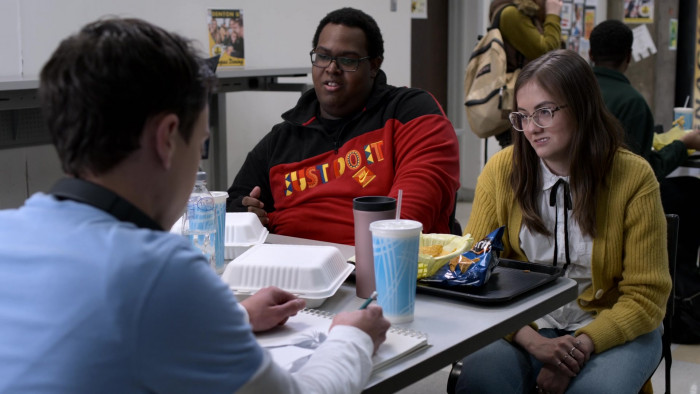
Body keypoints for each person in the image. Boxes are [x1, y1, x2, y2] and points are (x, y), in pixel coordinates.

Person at [0, 18, 390, 393]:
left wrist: (233, 318)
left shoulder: (8, 233)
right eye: (199, 143)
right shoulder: (159, 272)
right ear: (168, 138)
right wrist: (353, 337)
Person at [454, 49, 671, 394]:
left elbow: (647, 296)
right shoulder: (501, 171)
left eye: (544, 112)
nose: (531, 128)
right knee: (483, 379)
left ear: (582, 108)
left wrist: (580, 347)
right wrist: (530, 339)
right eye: (522, 116)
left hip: (611, 326)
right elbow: (472, 271)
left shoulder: (632, 176)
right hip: (522, 323)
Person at [225, 7, 460, 245]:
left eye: (348, 60)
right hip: (290, 269)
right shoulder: (282, 139)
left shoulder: (410, 111)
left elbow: (406, 222)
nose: (332, 68)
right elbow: (235, 204)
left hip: (381, 269)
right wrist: (247, 215)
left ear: (374, 66)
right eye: (323, 56)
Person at [589, 19, 700, 282]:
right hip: (615, 208)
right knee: (691, 193)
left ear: (591, 55)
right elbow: (644, 170)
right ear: (629, 56)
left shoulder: (571, 92)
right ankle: (683, 282)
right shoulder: (632, 102)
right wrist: (683, 145)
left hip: (576, 202)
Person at [488, 0, 563, 148]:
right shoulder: (511, 14)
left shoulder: (528, 13)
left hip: (529, 101)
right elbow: (549, 55)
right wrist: (553, 15)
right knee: (521, 160)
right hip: (522, 105)